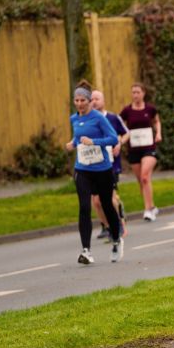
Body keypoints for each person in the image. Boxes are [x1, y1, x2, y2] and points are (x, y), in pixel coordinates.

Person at [65, 81, 122, 264]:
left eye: (83, 100)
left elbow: (113, 138)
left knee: (106, 205)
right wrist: (72, 143)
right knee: (84, 207)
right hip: (82, 169)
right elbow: (77, 136)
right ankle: (86, 250)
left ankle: (116, 238)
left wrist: (94, 142)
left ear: (89, 101)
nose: (79, 103)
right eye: (76, 100)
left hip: (102, 169)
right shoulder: (74, 118)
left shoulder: (99, 118)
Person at [120, 83, 161, 222]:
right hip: (134, 149)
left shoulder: (150, 109)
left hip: (149, 147)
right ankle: (152, 205)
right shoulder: (127, 111)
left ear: (143, 93)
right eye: (133, 92)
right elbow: (120, 125)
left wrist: (158, 133)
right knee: (141, 181)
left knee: (144, 177)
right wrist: (122, 137)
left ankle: (148, 210)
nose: (135, 95)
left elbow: (157, 121)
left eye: (138, 92)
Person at [90, 90, 128, 240]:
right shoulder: (87, 120)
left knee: (110, 196)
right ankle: (106, 226)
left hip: (111, 164)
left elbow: (126, 133)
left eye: (97, 99)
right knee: (96, 200)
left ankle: (119, 225)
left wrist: (119, 143)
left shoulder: (112, 118)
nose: (94, 101)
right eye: (91, 99)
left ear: (103, 101)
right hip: (93, 164)